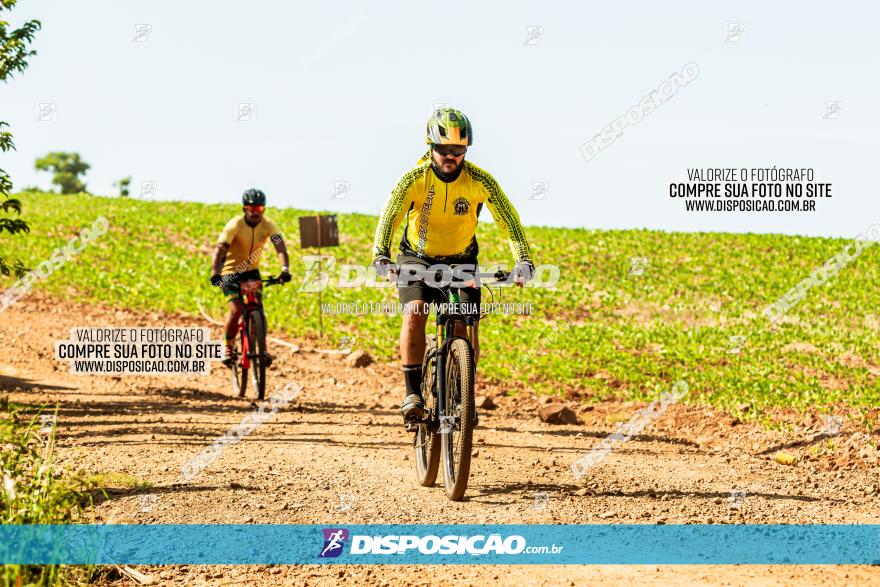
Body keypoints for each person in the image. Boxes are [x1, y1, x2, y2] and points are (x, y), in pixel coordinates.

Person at [372, 107, 534, 419]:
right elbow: (389, 218)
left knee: (465, 322)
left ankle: (462, 390)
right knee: (415, 313)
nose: (451, 156)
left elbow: (509, 221)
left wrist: (523, 259)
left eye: (458, 150)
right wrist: (382, 255)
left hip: (462, 261)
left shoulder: (480, 181)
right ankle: (412, 395)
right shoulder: (414, 179)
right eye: (444, 149)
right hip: (416, 258)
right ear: (430, 146)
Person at [210, 189, 291, 366]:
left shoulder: (268, 225)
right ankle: (228, 346)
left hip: (252, 272)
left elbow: (280, 248)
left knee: (259, 310)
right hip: (230, 273)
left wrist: (285, 269)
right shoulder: (235, 225)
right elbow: (220, 249)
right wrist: (215, 273)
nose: (255, 212)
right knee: (236, 309)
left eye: (260, 209)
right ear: (244, 209)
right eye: (251, 208)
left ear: (264, 209)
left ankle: (261, 348)